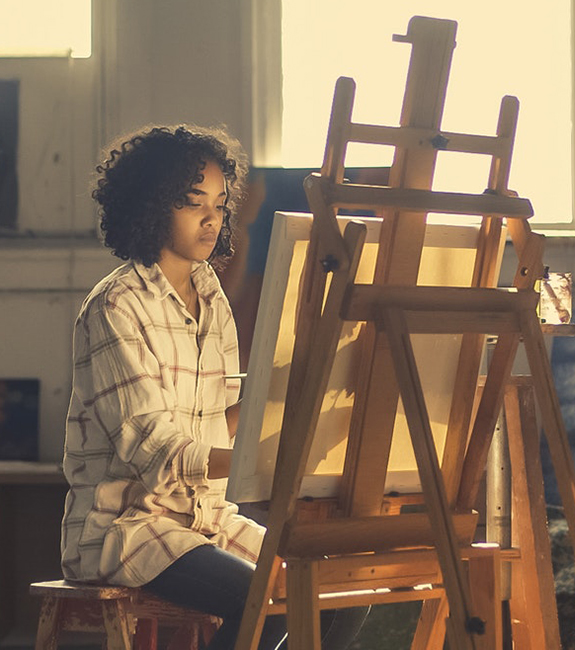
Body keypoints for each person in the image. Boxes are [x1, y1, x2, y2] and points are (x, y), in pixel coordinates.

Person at [60, 124, 368, 650]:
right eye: (192, 202)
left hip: (208, 520)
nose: (211, 218)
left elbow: (220, 422)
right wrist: (269, 459)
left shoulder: (213, 299)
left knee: (344, 592)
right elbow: (156, 453)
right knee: (263, 602)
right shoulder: (117, 305)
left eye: (221, 205)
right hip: (131, 527)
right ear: (153, 205)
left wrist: (281, 398)